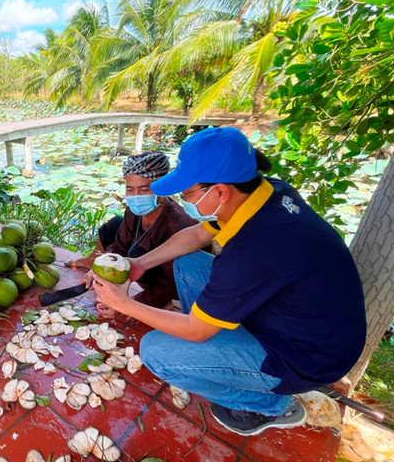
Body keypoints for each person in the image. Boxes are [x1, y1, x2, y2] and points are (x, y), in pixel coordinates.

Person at [89, 127, 366, 436]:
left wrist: (123, 304)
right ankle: (224, 347)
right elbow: (196, 234)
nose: (182, 200)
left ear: (220, 191)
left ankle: (271, 406)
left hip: (308, 356)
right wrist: (140, 262)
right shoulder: (267, 193)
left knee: (155, 351)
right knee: (189, 262)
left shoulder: (254, 249)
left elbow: (196, 330)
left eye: (187, 194)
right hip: (302, 319)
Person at [68, 151, 197, 307]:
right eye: (130, 190)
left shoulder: (178, 225)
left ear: (162, 187)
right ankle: (91, 261)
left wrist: (131, 305)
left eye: (144, 190)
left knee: (137, 253)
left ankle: (163, 304)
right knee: (115, 225)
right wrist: (97, 271)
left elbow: (169, 284)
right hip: (144, 263)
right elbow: (119, 247)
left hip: (174, 283)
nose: (136, 196)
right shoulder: (134, 210)